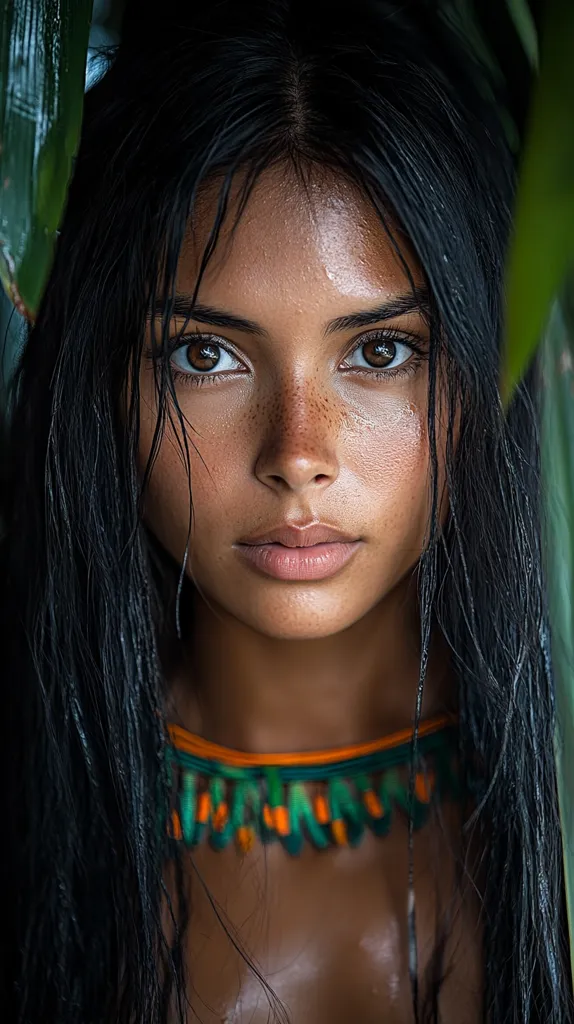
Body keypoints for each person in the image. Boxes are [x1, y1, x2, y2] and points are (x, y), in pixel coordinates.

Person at [1, 1, 571, 1021]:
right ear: (105, 379)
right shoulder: (38, 797)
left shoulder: (555, 783)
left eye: (380, 351)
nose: (297, 456)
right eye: (203, 354)